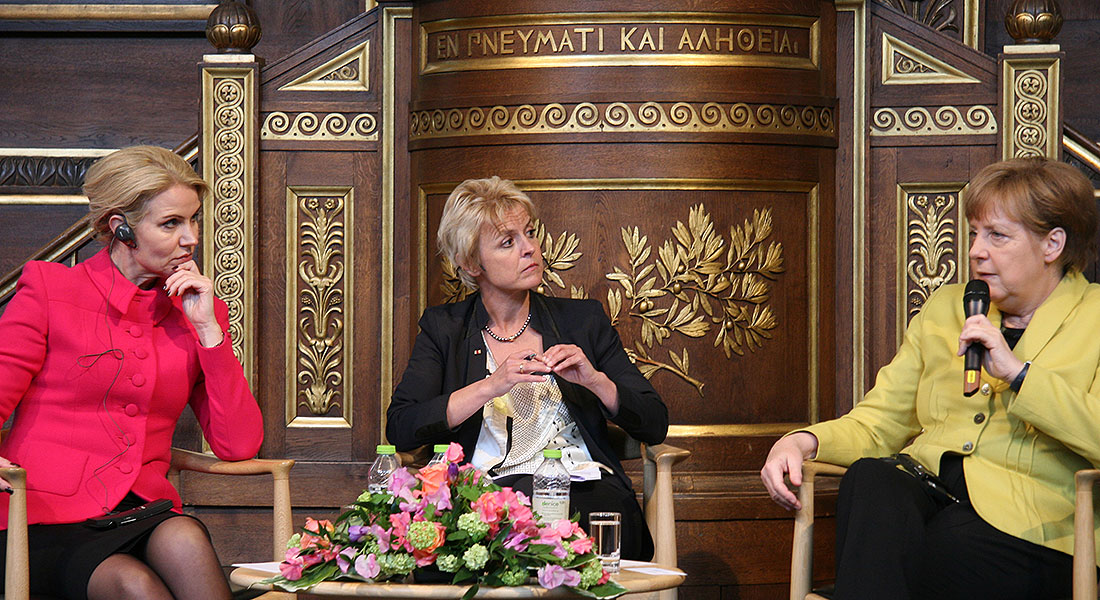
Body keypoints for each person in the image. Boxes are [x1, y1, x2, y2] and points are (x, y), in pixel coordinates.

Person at [761, 156, 1100, 599]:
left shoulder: (1094, 317)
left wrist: (1019, 375)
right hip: (932, 494)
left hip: (1036, 527)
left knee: (927, 551)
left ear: (1052, 244)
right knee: (871, 478)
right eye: (975, 232)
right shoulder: (947, 306)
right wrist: (802, 441)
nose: (977, 250)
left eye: (997, 235)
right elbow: (881, 420)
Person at [0, 146, 264, 600]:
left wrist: (208, 331)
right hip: (41, 518)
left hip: (141, 509)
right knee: (132, 583)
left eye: (193, 219)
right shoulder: (49, 289)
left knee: (184, 536)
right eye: (170, 224)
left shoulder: (197, 310)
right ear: (118, 227)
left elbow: (239, 445)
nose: (191, 238)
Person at [387, 176, 668, 560]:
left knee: (592, 514)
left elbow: (654, 422)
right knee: (490, 527)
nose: (529, 249)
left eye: (530, 234)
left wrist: (596, 382)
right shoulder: (444, 329)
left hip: (583, 487)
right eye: (508, 241)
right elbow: (402, 426)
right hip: (489, 495)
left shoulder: (582, 320)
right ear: (471, 263)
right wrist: (490, 386)